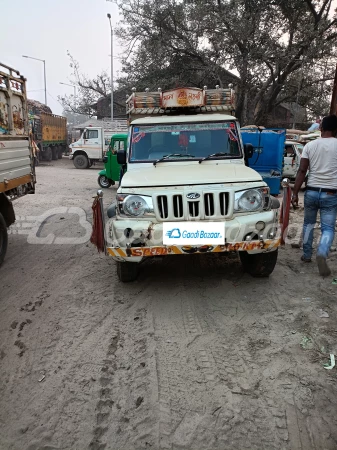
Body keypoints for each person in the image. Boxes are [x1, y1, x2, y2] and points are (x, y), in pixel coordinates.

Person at [292, 114, 337, 277]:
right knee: (328, 228)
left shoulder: (310, 146)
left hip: (311, 191)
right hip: (331, 193)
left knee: (308, 224)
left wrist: (295, 192)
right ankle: (322, 252)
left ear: (321, 128)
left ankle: (306, 255)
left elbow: (302, 171)